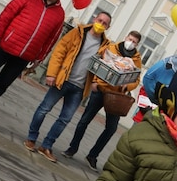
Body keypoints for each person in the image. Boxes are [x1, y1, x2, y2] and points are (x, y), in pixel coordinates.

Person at [23, 13, 111, 163]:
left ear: (107, 27)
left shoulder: (105, 46)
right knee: (44, 109)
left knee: (65, 119)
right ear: (94, 19)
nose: (101, 24)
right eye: (99, 20)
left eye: (105, 23)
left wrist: (97, 82)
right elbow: (60, 51)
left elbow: (102, 67)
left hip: (79, 87)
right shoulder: (78, 32)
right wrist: (51, 74)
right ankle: (31, 138)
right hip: (63, 79)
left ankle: (47, 146)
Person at [63, 30, 142, 171]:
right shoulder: (111, 48)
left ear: (137, 44)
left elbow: (136, 78)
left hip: (116, 96)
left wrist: (128, 86)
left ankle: (93, 155)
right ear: (126, 37)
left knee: (111, 129)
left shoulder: (136, 59)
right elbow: (98, 64)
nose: (131, 43)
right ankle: (72, 147)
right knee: (84, 120)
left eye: (134, 42)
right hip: (100, 89)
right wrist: (94, 81)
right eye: (130, 39)